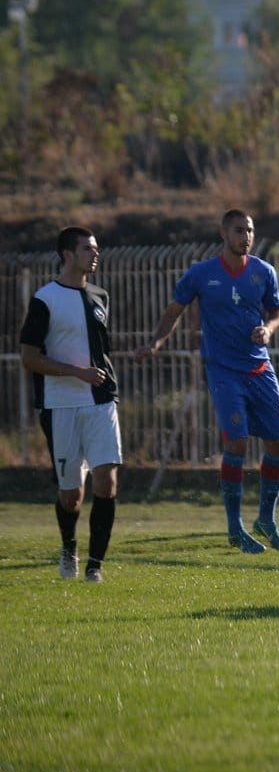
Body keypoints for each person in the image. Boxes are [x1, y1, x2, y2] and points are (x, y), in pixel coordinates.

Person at [135, 209, 279, 553]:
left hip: (259, 367)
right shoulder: (201, 274)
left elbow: (277, 310)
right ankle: (235, 528)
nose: (246, 236)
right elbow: (174, 310)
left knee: (278, 442)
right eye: (239, 230)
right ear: (223, 233)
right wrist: (156, 342)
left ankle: (265, 519)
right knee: (236, 442)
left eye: (249, 230)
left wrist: (269, 328)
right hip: (223, 369)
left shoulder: (264, 272)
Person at [20, 227, 123, 584]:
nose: (95, 255)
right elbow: (30, 358)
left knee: (107, 481)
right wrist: (76, 373)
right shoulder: (44, 299)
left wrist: (101, 378)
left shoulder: (100, 296)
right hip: (60, 405)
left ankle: (95, 565)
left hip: (100, 401)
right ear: (67, 254)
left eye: (96, 249)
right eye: (87, 249)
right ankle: (69, 547)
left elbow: (101, 350)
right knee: (70, 495)